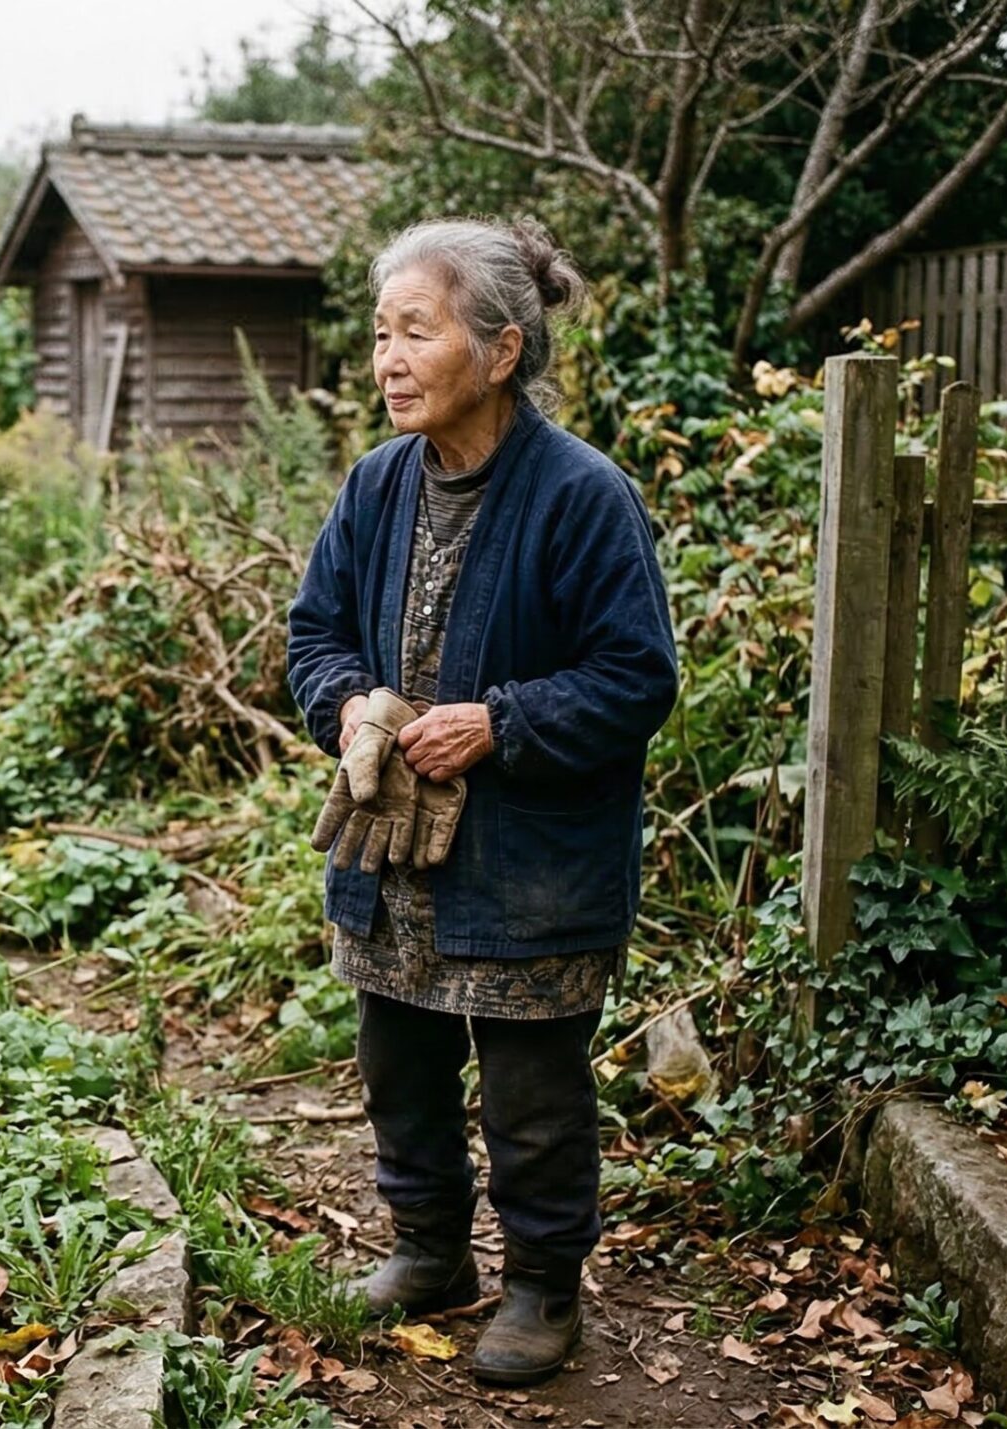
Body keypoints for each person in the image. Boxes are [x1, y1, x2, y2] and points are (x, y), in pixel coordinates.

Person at [283, 216, 679, 1387]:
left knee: (530, 1094)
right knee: (397, 1064)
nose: (389, 360)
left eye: (418, 332)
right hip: (391, 845)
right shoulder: (373, 486)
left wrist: (500, 722)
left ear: (500, 352)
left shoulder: (583, 495)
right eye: (380, 335)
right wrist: (350, 704)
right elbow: (314, 633)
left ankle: (543, 1287)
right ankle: (427, 1251)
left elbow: (634, 675)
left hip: (529, 858)